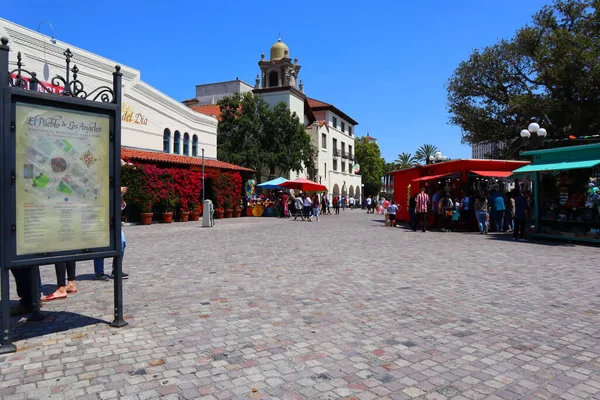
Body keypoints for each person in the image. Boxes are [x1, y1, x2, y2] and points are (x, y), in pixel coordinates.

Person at [95, 187, 129, 281]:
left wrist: (120, 194)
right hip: (102, 220)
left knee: (121, 244)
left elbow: (122, 206)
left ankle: (116, 270)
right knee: (101, 245)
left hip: (114, 222)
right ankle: (99, 272)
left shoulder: (115, 187)